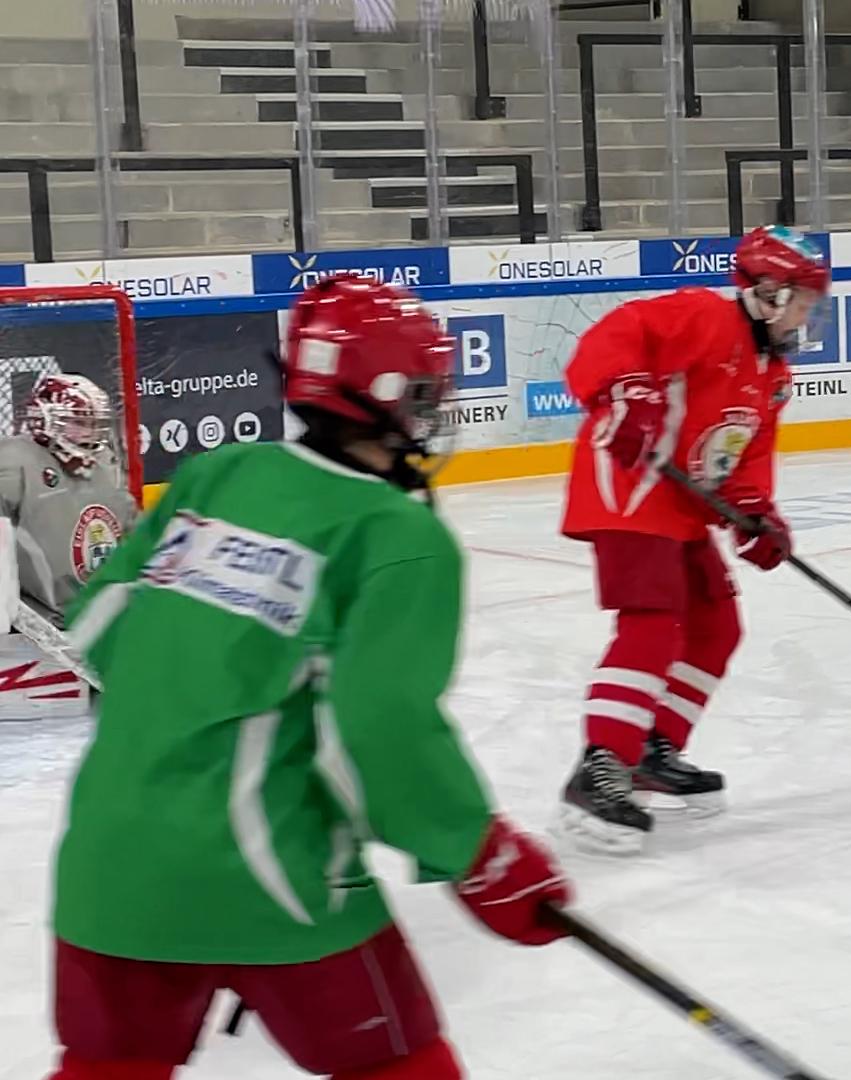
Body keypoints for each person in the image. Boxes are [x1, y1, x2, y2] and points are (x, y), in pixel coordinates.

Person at [44, 275, 572, 1080]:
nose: (432, 412)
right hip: (268, 875)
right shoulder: (396, 534)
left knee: (110, 1066)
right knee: (397, 1064)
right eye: (426, 392)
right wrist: (478, 853)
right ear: (387, 397)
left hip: (107, 863)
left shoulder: (214, 475)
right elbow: (378, 728)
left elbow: (100, 632)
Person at [557, 225, 830, 855]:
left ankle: (652, 748)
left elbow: (745, 454)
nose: (808, 316)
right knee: (654, 621)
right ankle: (600, 768)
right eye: (804, 303)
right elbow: (612, 336)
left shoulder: (772, 375)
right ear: (767, 292)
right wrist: (629, 390)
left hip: (678, 502)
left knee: (716, 625)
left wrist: (756, 513)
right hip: (626, 483)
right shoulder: (702, 315)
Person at [0, 373, 139, 617]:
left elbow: (131, 527)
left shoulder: (105, 462)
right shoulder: (13, 463)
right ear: (44, 418)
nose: (90, 433)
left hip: (105, 613)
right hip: (39, 623)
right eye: (79, 423)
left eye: (94, 424)